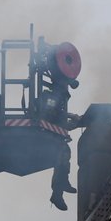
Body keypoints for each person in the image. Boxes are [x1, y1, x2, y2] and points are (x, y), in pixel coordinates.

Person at [41, 72, 85, 211]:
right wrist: (72, 116)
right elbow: (51, 113)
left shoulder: (56, 101)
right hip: (46, 133)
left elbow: (60, 121)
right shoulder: (49, 98)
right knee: (61, 159)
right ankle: (57, 194)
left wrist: (77, 122)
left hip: (53, 134)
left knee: (65, 155)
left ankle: (63, 184)